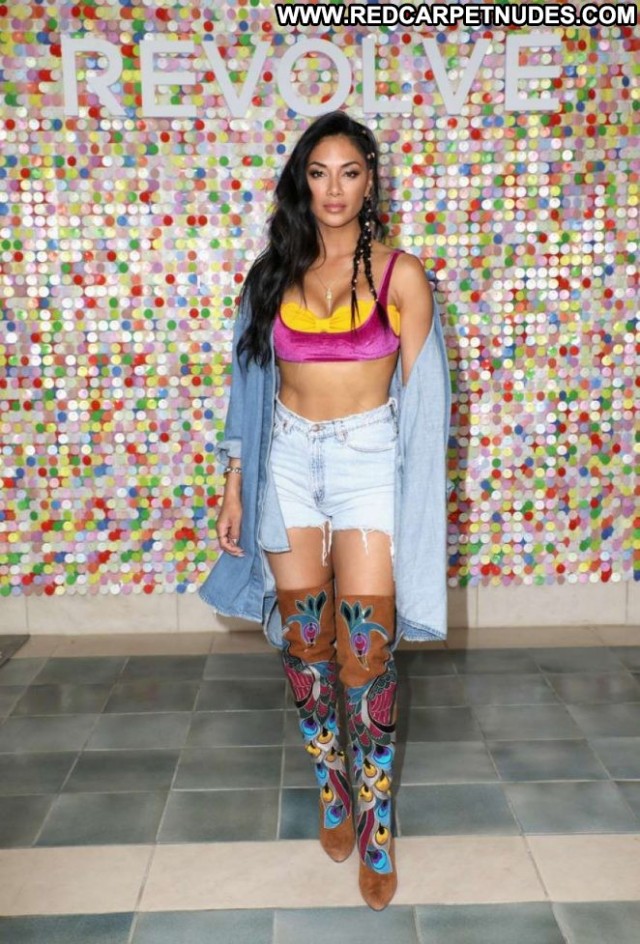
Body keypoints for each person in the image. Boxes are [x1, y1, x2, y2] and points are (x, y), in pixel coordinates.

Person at [198, 111, 452, 910]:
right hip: (286, 463)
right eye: (318, 172)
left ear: (370, 181)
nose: (334, 188)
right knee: (306, 647)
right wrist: (235, 483)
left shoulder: (402, 276)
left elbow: (426, 408)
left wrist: (418, 510)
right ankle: (332, 787)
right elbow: (246, 391)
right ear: (301, 182)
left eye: (349, 171)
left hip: (368, 463)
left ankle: (377, 823)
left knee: (366, 654)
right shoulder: (271, 274)